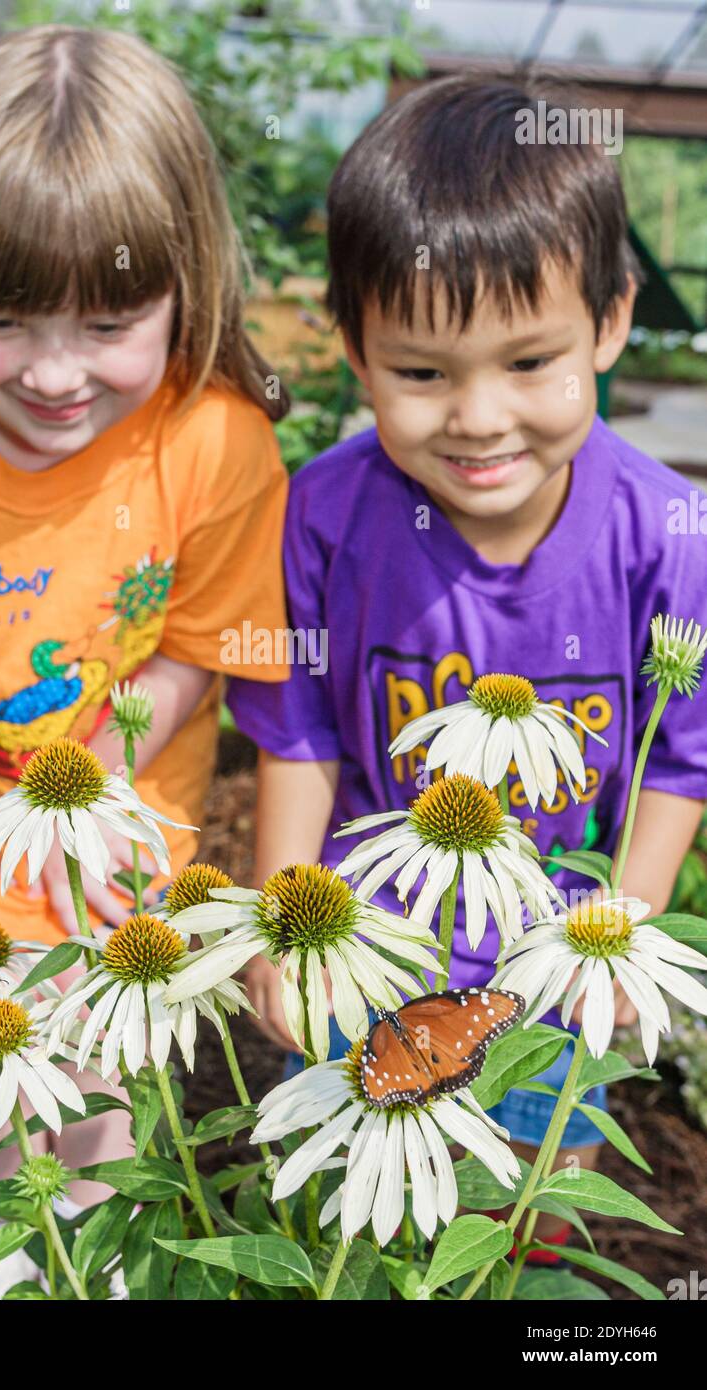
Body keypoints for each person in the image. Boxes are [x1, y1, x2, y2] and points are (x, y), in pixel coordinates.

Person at [226, 75, 707, 1260]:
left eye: (530, 361)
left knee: (525, 1225)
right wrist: (291, 937)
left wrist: (621, 941)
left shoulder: (665, 533)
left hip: (553, 970)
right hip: (374, 953)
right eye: (423, 373)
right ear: (352, 350)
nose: (480, 419)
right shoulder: (324, 515)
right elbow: (297, 730)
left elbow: (680, 755)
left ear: (608, 321)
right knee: (353, 1219)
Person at [0, 24, 289, 1295]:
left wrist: (67, 811)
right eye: (0, 320)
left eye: (108, 322)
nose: (51, 373)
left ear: (186, 280)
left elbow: (198, 651)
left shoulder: (212, 441)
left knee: (93, 1099)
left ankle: (68, 1264)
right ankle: (2, 1248)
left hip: (118, 830)